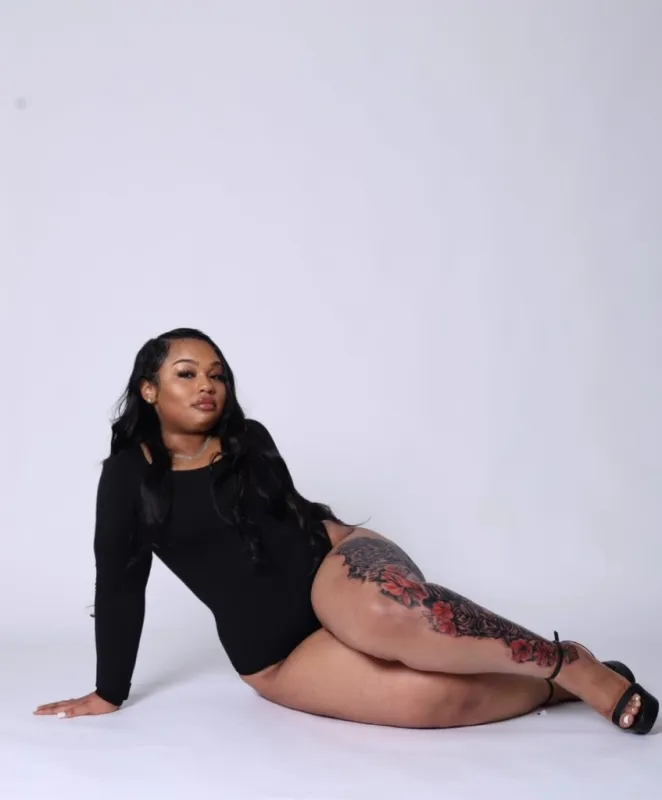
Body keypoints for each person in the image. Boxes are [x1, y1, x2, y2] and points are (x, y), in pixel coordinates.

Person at [34, 328, 658, 734]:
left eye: (217, 374)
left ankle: (567, 661)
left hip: (335, 567)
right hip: (276, 655)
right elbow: (120, 585)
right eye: (187, 373)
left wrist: (353, 605)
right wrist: (108, 692)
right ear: (149, 390)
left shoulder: (248, 441)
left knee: (389, 615)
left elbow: (288, 529)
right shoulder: (127, 479)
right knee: (431, 703)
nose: (207, 386)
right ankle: (552, 689)